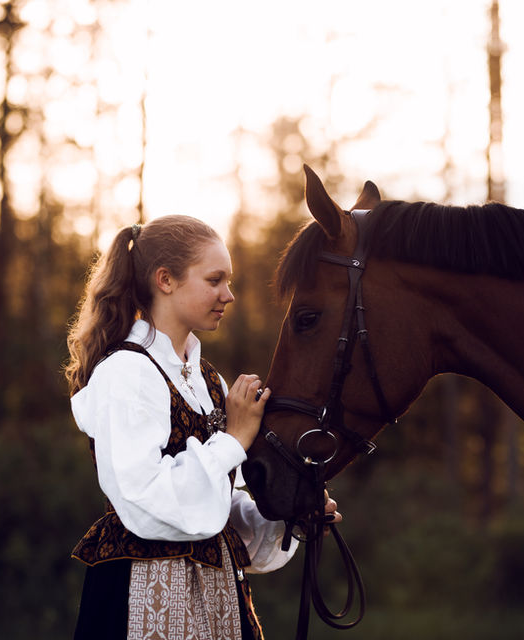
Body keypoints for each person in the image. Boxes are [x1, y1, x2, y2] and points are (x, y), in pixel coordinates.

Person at [64, 215, 339, 640]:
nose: (228, 295)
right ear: (165, 280)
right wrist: (233, 440)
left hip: (216, 598)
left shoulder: (208, 380)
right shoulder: (127, 373)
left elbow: (215, 511)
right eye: (214, 280)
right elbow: (146, 498)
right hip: (144, 592)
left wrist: (292, 516)